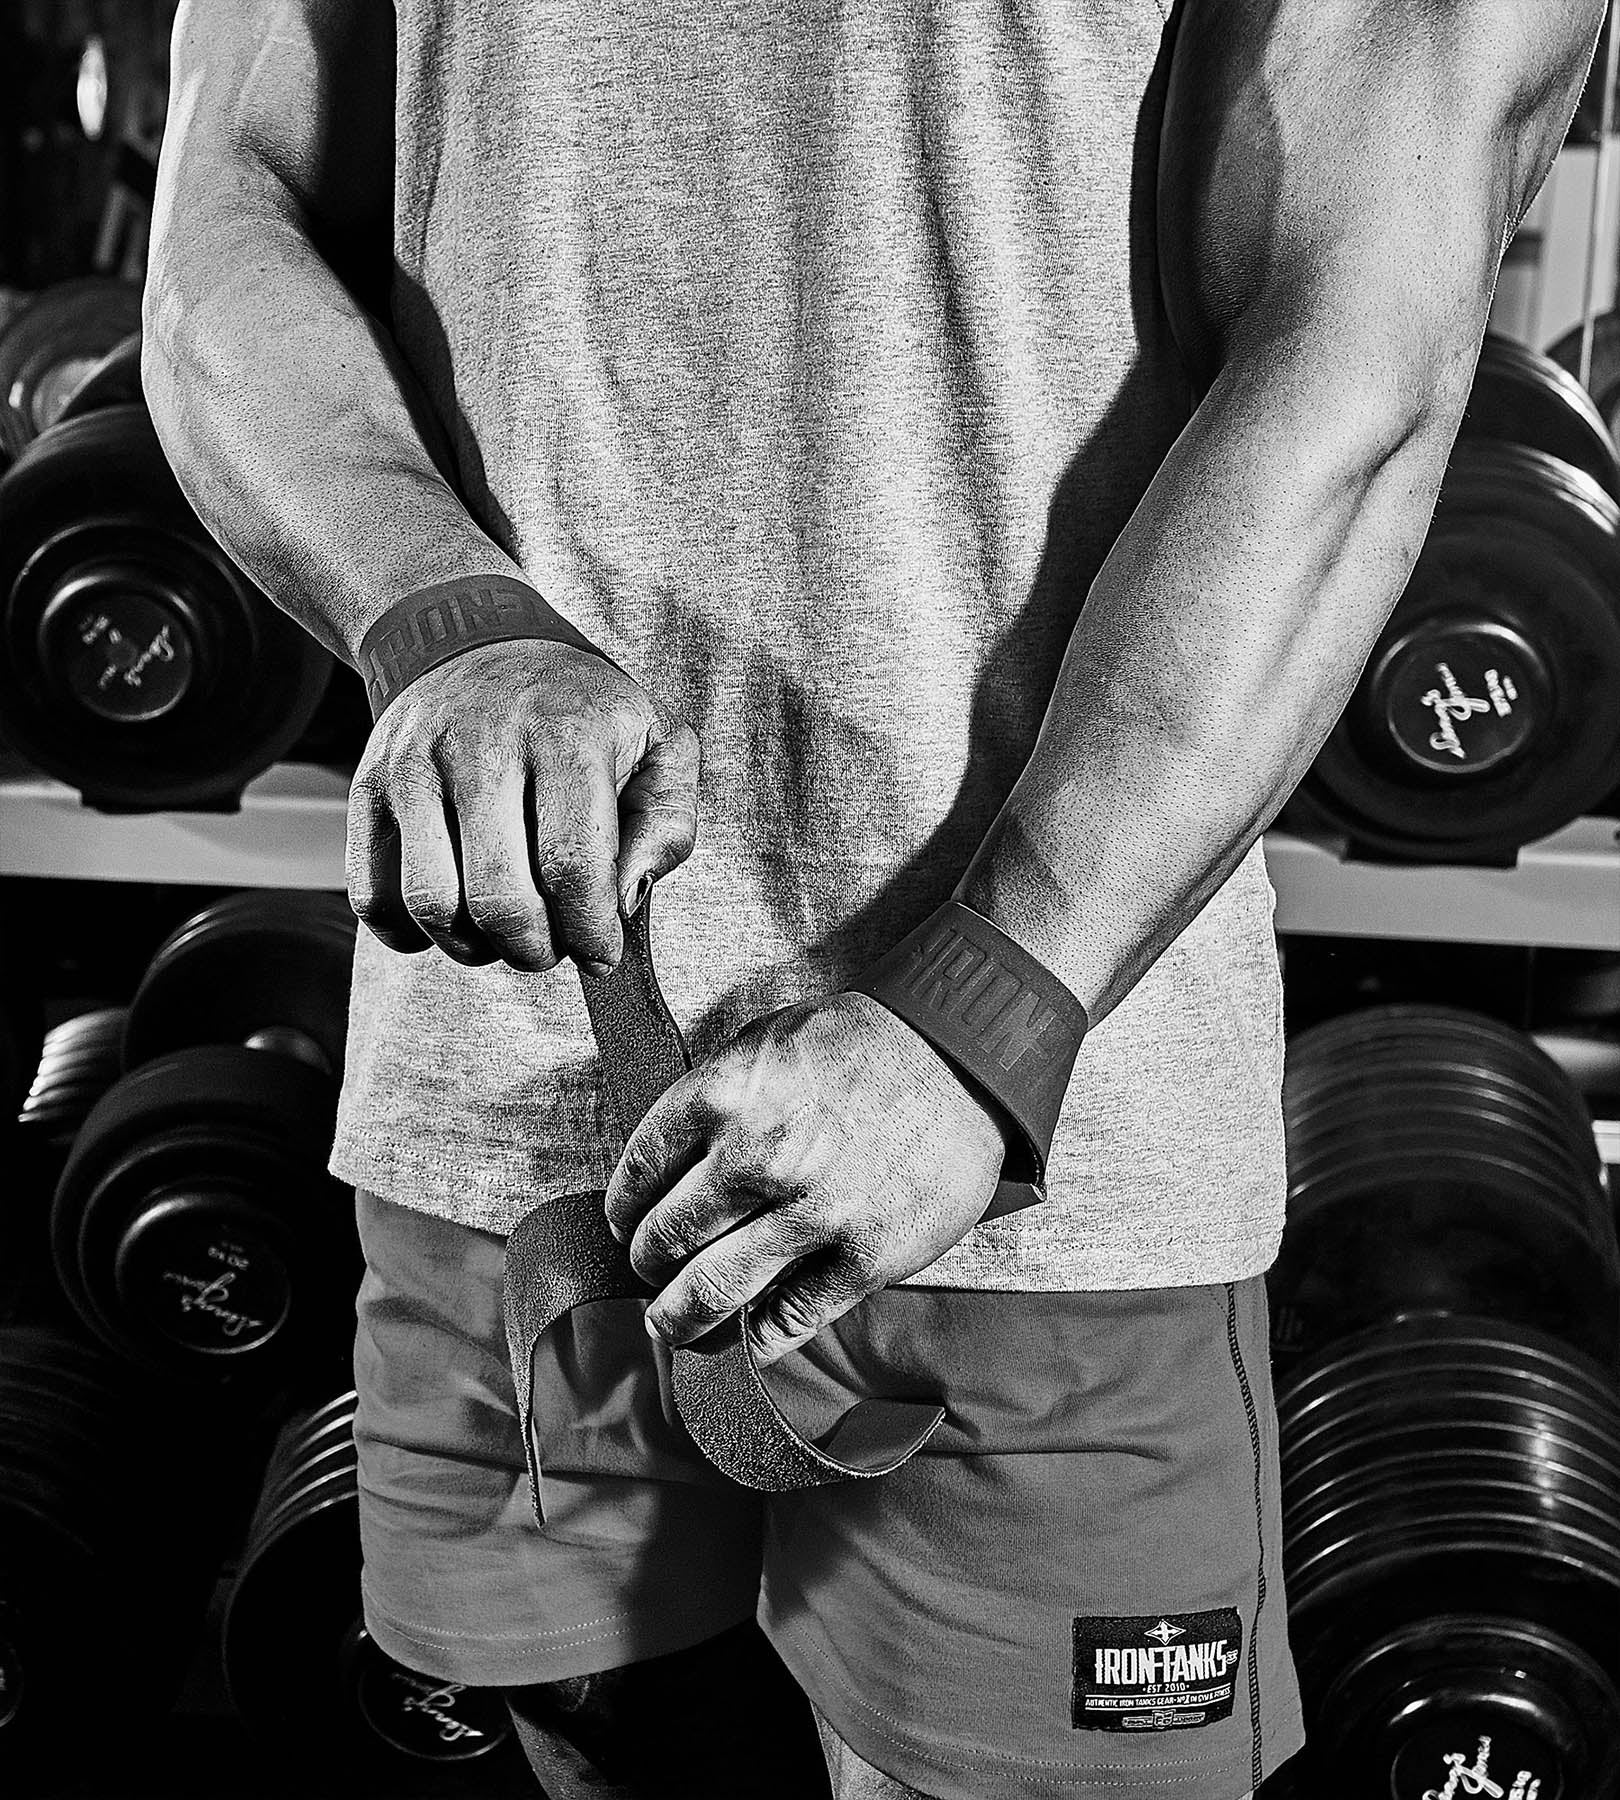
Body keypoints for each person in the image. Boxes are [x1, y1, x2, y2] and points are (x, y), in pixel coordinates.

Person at [141, 1, 1602, 1794]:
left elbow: (1359, 355)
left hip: (1034, 1155)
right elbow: (229, 208)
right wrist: (438, 611)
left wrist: (988, 1015)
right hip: (511, 1075)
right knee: (599, 1756)